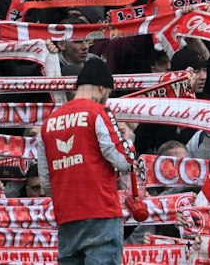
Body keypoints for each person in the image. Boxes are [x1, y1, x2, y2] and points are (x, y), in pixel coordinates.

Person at [35, 57, 146, 265]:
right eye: (108, 95)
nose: (106, 100)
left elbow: (46, 181)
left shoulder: (48, 124)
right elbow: (123, 160)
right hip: (101, 215)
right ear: (102, 88)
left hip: (66, 218)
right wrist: (128, 139)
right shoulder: (98, 113)